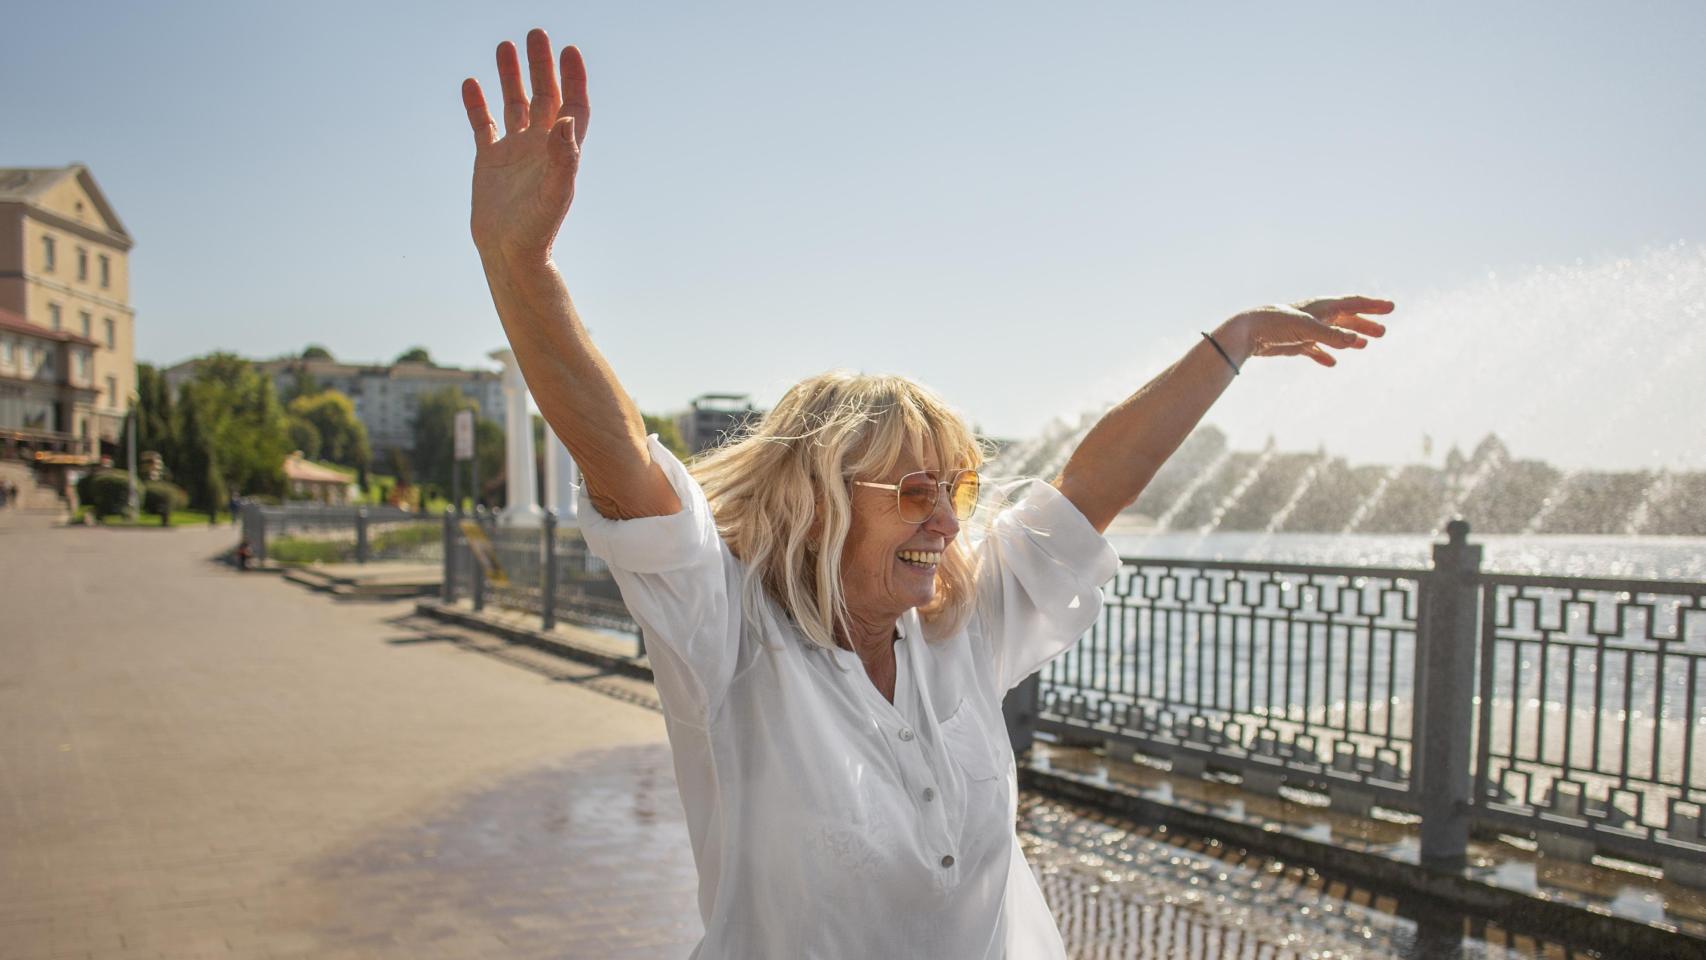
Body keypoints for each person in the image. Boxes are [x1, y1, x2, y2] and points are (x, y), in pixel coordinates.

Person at [460, 28, 1392, 959]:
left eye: (958, 487)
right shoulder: (731, 636)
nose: (948, 521)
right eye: (913, 490)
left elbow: (1084, 490)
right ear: (818, 501)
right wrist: (520, 266)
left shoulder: (957, 627)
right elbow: (624, 465)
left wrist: (1225, 345)